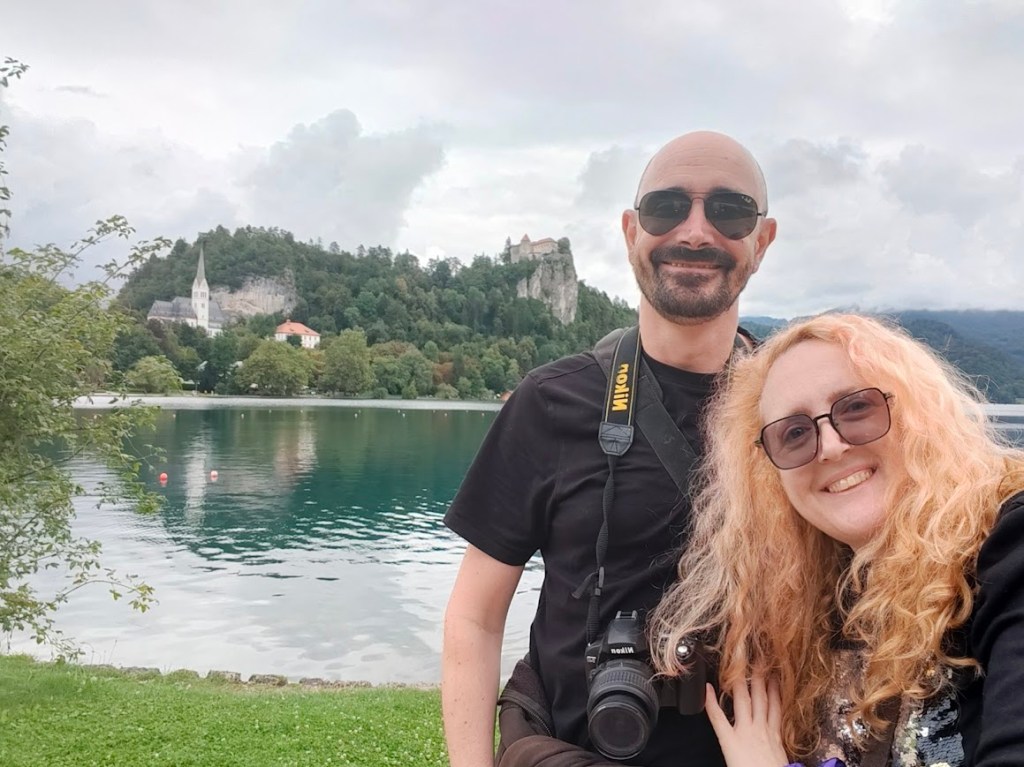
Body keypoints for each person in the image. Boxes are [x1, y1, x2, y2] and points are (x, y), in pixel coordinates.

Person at [442, 130, 778, 767]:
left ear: (762, 241)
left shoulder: (796, 411)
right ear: (631, 232)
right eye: (666, 207)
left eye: (729, 210)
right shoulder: (550, 403)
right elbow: (475, 618)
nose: (695, 232)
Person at [650, 312, 1024, 767]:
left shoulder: (1006, 548)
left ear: (915, 412)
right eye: (794, 433)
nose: (830, 446)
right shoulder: (809, 604)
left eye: (855, 408)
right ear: (771, 472)